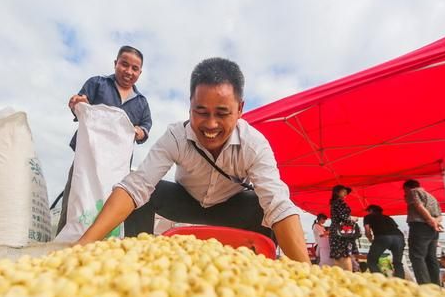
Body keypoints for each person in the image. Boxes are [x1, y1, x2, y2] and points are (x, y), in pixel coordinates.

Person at [76, 57, 309, 263]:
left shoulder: (254, 144)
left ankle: (260, 266)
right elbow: (135, 186)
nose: (210, 124)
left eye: (222, 113)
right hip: (186, 200)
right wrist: (83, 245)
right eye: (201, 111)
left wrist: (307, 275)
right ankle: (139, 260)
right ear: (189, 106)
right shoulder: (176, 137)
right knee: (144, 194)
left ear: (240, 109)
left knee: (263, 206)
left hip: (231, 207)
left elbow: (278, 202)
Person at [57, 46, 152, 233]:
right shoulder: (97, 84)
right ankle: (64, 244)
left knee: (111, 207)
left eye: (135, 68)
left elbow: (146, 127)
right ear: (115, 63)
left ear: (140, 73)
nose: (128, 71)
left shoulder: (141, 102)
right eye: (124, 65)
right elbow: (80, 105)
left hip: (117, 169)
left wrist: (139, 132)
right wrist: (77, 103)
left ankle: (104, 246)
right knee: (74, 202)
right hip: (87, 161)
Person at [403, 179, 442, 285]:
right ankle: (435, 285)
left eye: (404, 191)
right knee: (431, 257)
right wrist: (434, 222)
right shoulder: (432, 197)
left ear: (407, 188)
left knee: (417, 256)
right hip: (433, 229)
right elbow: (440, 215)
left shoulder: (413, 191)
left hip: (420, 227)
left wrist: (429, 219)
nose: (405, 195)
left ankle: (425, 286)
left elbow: (418, 205)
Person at [363, 205, 405, 279]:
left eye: (368, 211)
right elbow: (395, 227)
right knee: (397, 262)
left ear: (371, 210)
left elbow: (367, 230)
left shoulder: (368, 217)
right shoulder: (388, 217)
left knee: (371, 261)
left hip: (382, 237)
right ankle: (400, 282)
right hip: (399, 237)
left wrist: (370, 239)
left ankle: (380, 280)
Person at [328, 185, 358, 271]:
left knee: (338, 256)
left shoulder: (334, 203)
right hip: (342, 232)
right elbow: (345, 217)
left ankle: (338, 277)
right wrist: (354, 218)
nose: (345, 193)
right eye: (343, 191)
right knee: (345, 255)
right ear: (337, 192)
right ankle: (347, 277)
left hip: (335, 230)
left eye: (346, 192)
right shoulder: (340, 202)